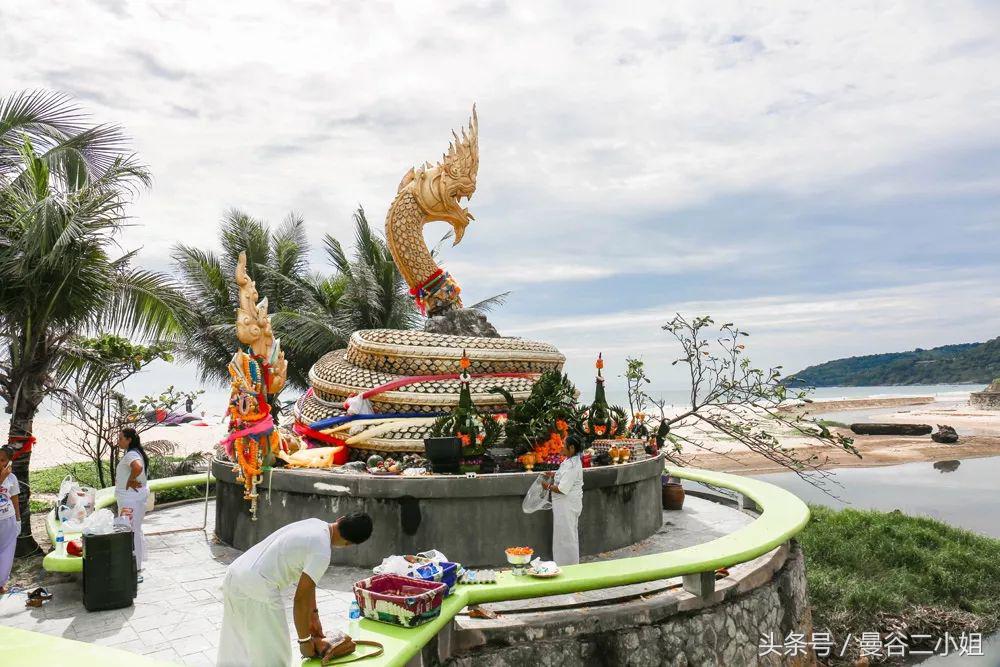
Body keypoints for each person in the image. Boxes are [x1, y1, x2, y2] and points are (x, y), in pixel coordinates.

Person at [218, 513, 373, 667]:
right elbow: (300, 599)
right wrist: (304, 641)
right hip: (258, 588)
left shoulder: (314, 523)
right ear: (348, 544)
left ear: (340, 519)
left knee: (236, 649)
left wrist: (313, 616)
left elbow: (308, 585)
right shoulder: (322, 552)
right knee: (276, 655)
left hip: (235, 574)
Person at [542, 435, 584, 565]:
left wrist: (547, 486)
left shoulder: (573, 465)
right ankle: (561, 563)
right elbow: (564, 476)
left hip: (567, 505)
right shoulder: (569, 460)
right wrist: (554, 474)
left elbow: (562, 489)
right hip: (563, 505)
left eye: (564, 445)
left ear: (571, 448)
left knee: (567, 536)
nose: (562, 447)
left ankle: (570, 565)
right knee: (562, 535)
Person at [115, 428, 149, 579]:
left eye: (121, 438)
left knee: (131, 531)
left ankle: (134, 567)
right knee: (135, 529)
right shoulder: (135, 452)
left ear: (129, 440)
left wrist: (130, 480)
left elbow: (138, 467)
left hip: (130, 499)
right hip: (134, 497)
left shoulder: (131, 454)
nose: (118, 441)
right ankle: (137, 564)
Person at [0, 446, 21, 594]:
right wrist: (1, 478)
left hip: (8, 519)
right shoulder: (4, 477)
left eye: (2, 460)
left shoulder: (12, 478)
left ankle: (1, 583)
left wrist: (18, 520)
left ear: (9, 462)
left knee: (7, 552)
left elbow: (14, 499)